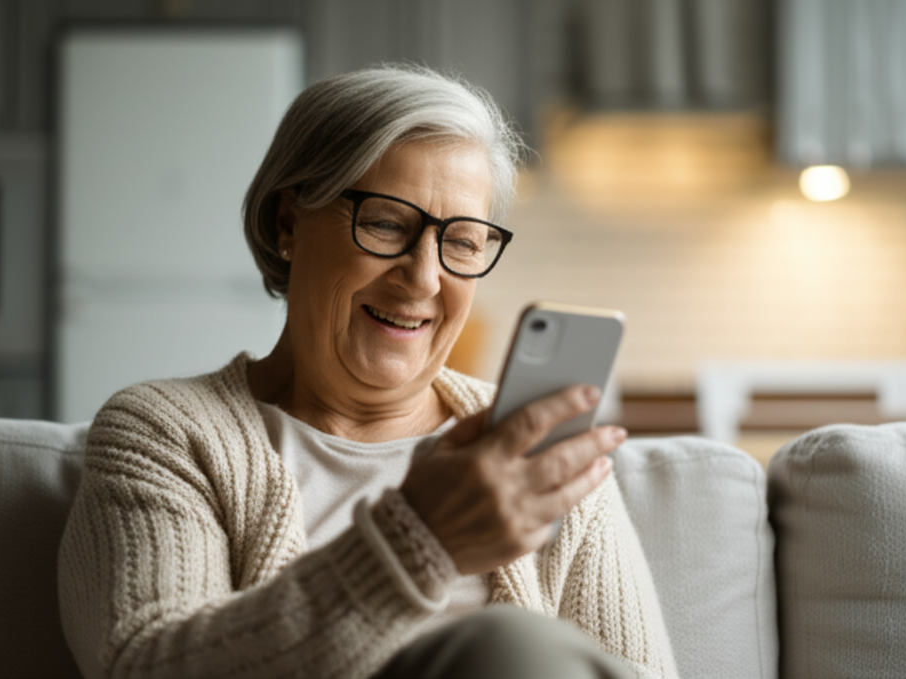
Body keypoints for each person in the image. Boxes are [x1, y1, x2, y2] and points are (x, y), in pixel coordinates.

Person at [58, 64, 677, 679]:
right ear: (288, 224)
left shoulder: (531, 452)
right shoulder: (166, 433)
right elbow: (142, 665)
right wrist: (418, 544)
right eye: (385, 223)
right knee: (507, 646)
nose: (424, 278)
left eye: (461, 242)